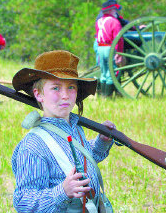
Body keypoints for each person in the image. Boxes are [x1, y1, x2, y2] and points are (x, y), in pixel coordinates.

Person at [11, 50, 116, 212]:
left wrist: (101, 141)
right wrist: (63, 192)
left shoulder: (75, 128)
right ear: (38, 94)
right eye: (55, 88)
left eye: (71, 87)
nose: (65, 95)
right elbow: (23, 202)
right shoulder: (33, 146)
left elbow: (81, 161)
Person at [95, 0, 125, 97]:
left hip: (100, 48)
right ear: (111, 10)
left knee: (103, 72)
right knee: (112, 73)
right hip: (109, 48)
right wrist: (119, 53)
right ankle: (107, 97)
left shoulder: (99, 21)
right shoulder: (114, 22)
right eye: (115, 10)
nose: (116, 11)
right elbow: (118, 39)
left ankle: (103, 95)